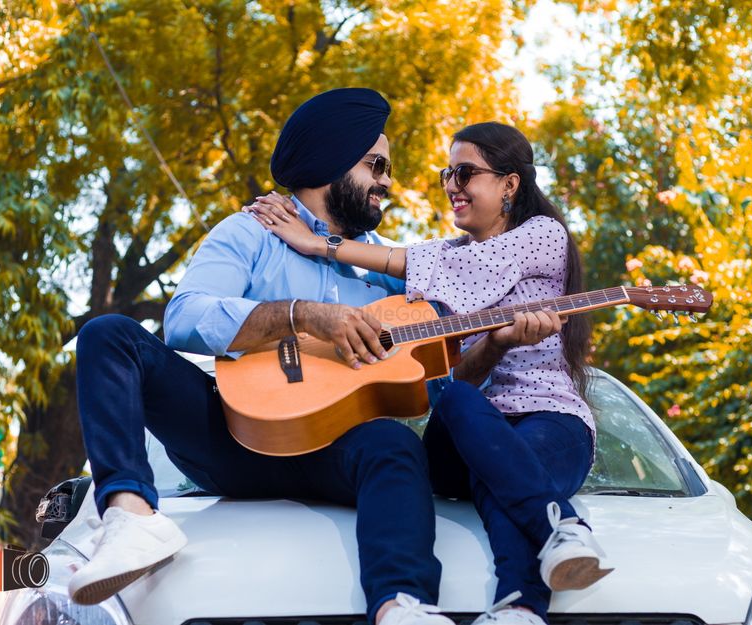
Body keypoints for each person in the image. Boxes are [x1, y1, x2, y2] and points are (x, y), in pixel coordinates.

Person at [68, 88, 456, 625]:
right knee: (108, 333)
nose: (388, 181)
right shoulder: (252, 230)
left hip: (339, 452)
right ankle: (131, 518)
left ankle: (401, 607)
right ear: (329, 159)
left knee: (392, 445)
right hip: (234, 439)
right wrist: (300, 314)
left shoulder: (389, 269)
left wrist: (497, 342)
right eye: (376, 165)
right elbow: (183, 319)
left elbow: (440, 381)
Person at [247, 121, 612, 625]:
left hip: (547, 419)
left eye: (465, 173)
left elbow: (410, 259)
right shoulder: (443, 271)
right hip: (465, 438)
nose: (453, 187)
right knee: (460, 402)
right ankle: (559, 529)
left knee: (505, 468)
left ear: (510, 184)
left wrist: (320, 244)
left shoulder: (542, 236)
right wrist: (499, 343)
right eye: (448, 175)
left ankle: (522, 604)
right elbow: (457, 378)